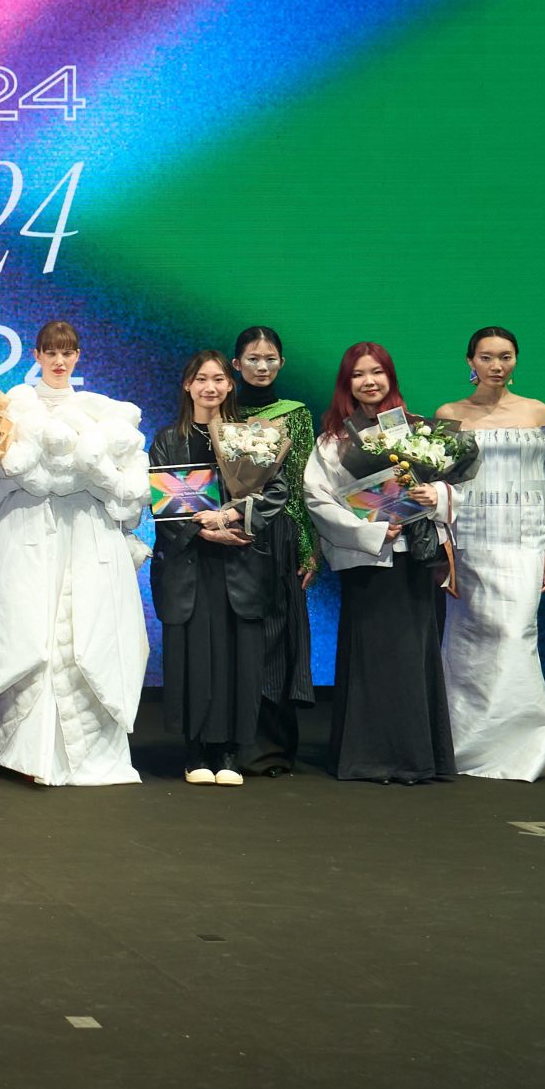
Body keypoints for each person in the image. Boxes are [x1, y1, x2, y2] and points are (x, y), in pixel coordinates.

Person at [0, 321, 152, 786]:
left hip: (87, 534)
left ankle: (80, 754)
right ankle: (20, 753)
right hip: (24, 530)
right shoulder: (11, 409)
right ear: (37, 355)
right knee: (23, 627)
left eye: (67, 352)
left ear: (78, 356)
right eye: (51, 352)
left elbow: (126, 488)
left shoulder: (102, 413)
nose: (59, 361)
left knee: (87, 628)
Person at [435, 327, 545, 780]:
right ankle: (461, 741)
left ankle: (522, 741)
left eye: (505, 356)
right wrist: (444, 548)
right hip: (470, 538)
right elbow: (440, 483)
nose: (496, 365)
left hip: (525, 538)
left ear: (516, 360)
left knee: (517, 631)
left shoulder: (535, 410)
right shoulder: (449, 414)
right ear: (470, 361)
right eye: (486, 357)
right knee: (469, 639)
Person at [303, 341, 464, 784]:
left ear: (390, 376)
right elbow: (317, 499)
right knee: (372, 658)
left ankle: (418, 759)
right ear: (346, 383)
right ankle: (367, 758)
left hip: (418, 558)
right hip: (370, 561)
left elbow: (459, 487)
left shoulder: (420, 431)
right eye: (358, 374)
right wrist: (372, 530)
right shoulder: (333, 441)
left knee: (415, 658)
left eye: (376, 372)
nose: (369, 381)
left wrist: (437, 495)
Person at [149, 351, 292, 787]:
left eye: (218, 379)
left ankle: (229, 751)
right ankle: (195, 751)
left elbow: (276, 491)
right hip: (190, 563)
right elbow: (162, 504)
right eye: (201, 379)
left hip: (239, 562)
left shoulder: (251, 436)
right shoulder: (167, 439)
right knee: (193, 658)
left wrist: (231, 517)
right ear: (187, 385)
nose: (209, 387)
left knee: (237, 658)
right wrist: (205, 532)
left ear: (230, 385)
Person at [229, 326, 316, 776]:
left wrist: (308, 547)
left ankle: (272, 748)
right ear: (236, 364)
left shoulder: (295, 414)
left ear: (281, 363)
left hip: (280, 535)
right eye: (253, 358)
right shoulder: (221, 409)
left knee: (277, 639)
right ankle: (231, 741)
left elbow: (302, 484)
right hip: (228, 534)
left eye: (270, 359)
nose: (261, 366)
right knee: (234, 638)